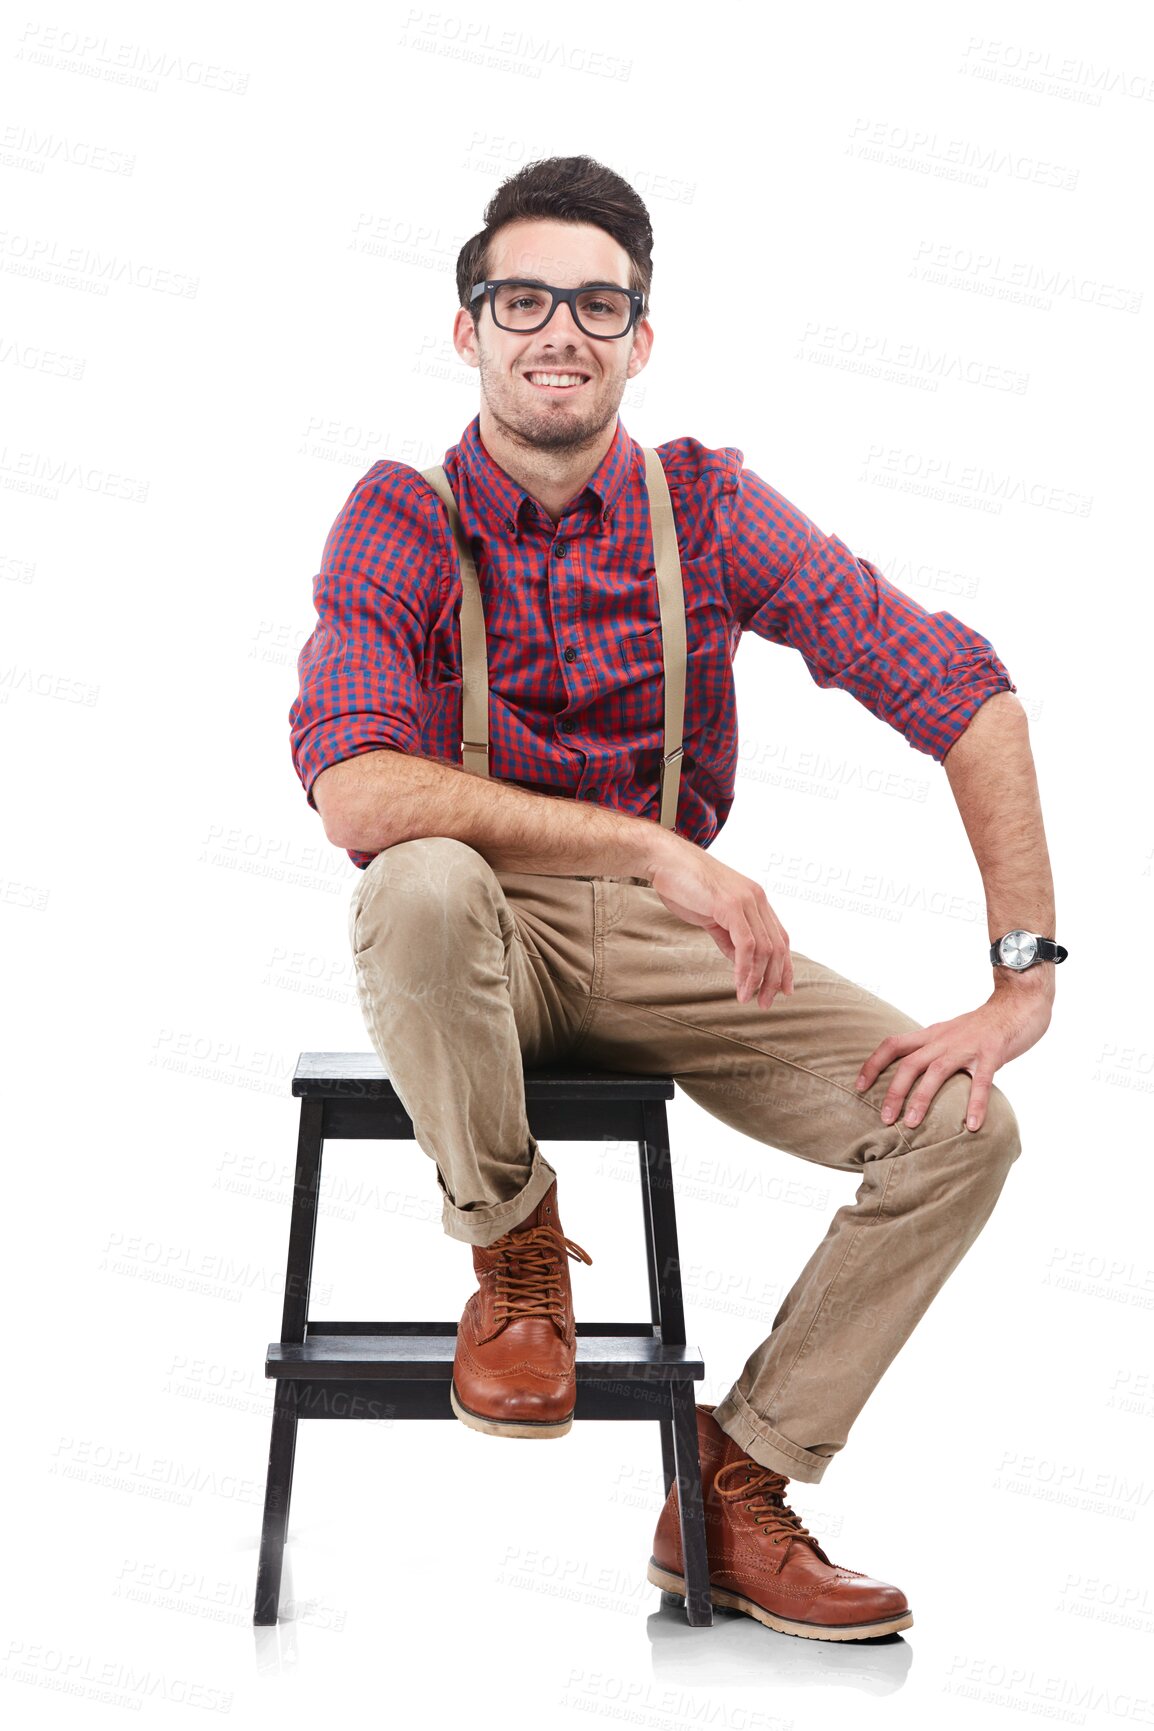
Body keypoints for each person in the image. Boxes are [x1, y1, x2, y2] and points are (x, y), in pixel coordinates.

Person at [287, 154, 1062, 1641]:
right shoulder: (396, 517)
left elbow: (964, 694)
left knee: (963, 1135)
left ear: (640, 338)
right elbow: (355, 795)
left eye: (597, 302)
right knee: (424, 881)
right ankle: (511, 1247)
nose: (558, 331)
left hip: (665, 957)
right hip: (479, 947)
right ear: (468, 327)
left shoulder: (702, 506)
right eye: (523, 298)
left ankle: (734, 1480)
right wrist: (646, 846)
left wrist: (1020, 983)